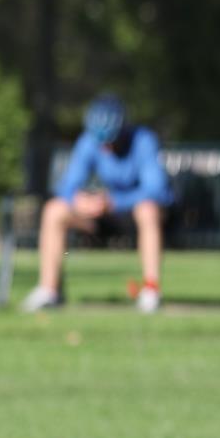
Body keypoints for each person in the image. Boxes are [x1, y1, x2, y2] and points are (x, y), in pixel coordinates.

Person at [20, 94, 173, 314]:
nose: (105, 147)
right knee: (54, 210)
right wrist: (80, 201)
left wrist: (114, 201)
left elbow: (157, 190)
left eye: (110, 141)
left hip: (138, 217)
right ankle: (49, 290)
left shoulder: (143, 141)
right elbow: (66, 187)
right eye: (101, 141)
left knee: (147, 209)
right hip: (103, 218)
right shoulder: (89, 142)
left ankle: (150, 290)